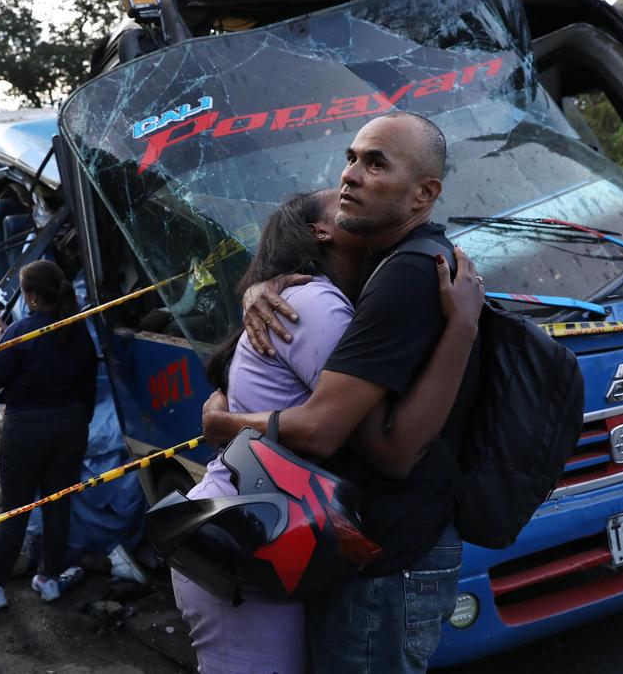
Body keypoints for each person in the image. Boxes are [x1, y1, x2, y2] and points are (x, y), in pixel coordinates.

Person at [201, 112, 483, 672]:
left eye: (375, 163)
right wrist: (262, 283)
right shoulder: (370, 277)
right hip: (364, 543)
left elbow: (377, 445)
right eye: (351, 158)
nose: (351, 174)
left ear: (425, 193)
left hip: (390, 551)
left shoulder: (400, 273)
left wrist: (222, 424)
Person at [0, 259, 96, 610]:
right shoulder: (77, 329)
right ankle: (49, 577)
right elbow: (88, 384)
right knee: (58, 504)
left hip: (26, 429)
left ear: (31, 297)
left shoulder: (19, 332)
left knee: (16, 509)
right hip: (71, 425)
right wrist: (76, 422)